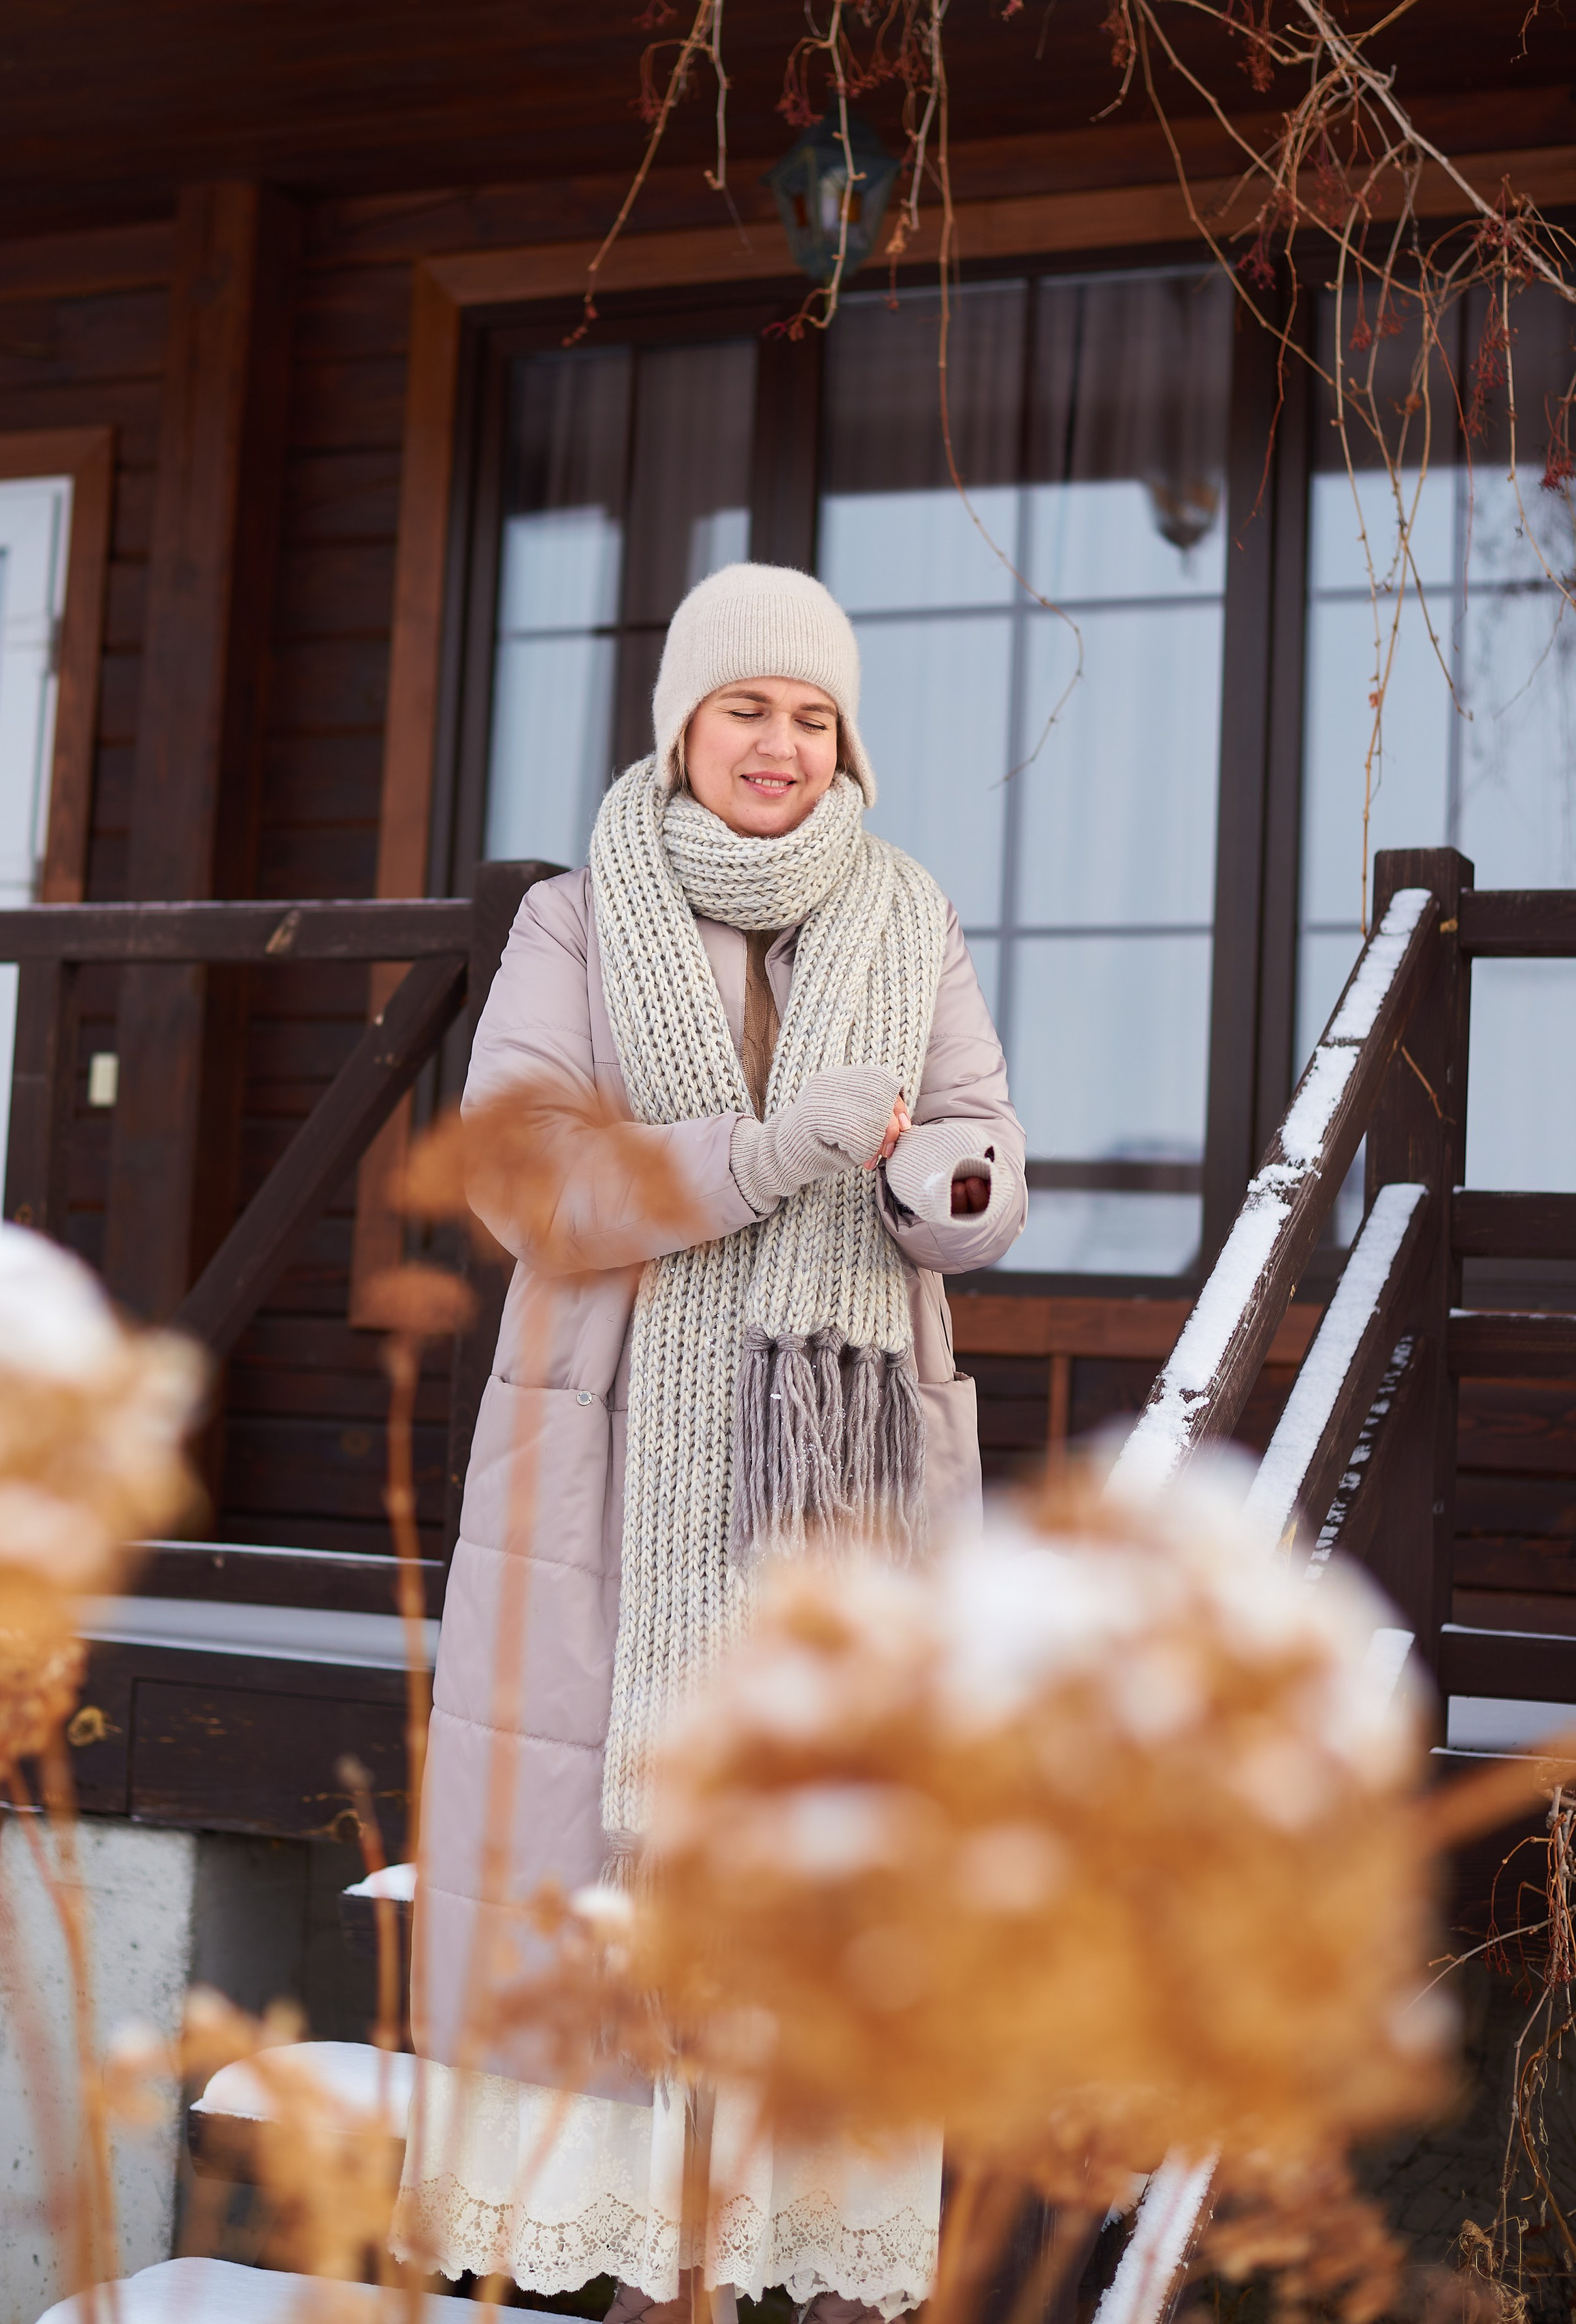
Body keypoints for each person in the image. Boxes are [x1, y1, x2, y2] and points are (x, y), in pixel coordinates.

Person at [393, 563, 1027, 2323]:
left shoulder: (910, 914)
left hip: (843, 1492)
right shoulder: (577, 920)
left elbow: (981, 1150)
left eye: (812, 715)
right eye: (746, 707)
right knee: (608, 1868)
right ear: (681, 724)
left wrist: (942, 1182)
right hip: (610, 1467)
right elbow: (532, 1181)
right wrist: (767, 1152)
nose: (780, 743)